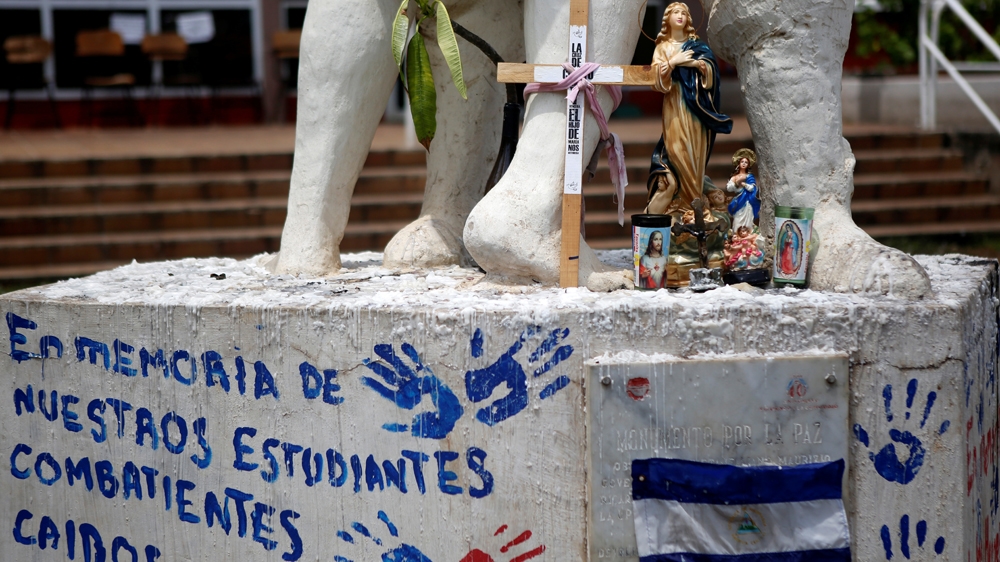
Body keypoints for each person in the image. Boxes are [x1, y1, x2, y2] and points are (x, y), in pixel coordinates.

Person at [645, 2, 733, 217]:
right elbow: (655, 80)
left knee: (695, 152)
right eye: (675, 12)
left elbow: (711, 71)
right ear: (667, 18)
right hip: (674, 106)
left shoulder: (697, 45)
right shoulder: (662, 47)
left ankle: (695, 206)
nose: (680, 16)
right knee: (676, 149)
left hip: (697, 109)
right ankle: (682, 206)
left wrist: (695, 64)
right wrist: (674, 61)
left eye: (684, 13)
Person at [726, 148, 760, 232]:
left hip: (747, 201)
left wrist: (745, 185)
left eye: (746, 162)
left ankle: (747, 235)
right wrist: (736, 183)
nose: (744, 164)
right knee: (737, 219)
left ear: (748, 165)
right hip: (738, 200)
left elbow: (752, 188)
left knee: (747, 220)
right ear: (739, 163)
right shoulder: (735, 176)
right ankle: (737, 235)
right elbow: (729, 188)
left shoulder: (749, 176)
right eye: (742, 162)